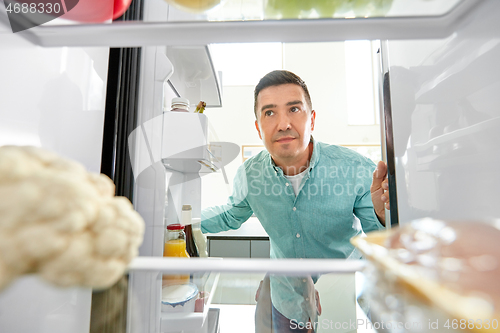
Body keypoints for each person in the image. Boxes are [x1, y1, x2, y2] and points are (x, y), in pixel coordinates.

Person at [201, 70, 389, 332]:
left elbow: (382, 242)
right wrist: (179, 222)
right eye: (269, 113)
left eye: (294, 109)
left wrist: (383, 217)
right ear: (258, 127)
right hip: (285, 302)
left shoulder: (355, 169)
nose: (283, 124)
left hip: (341, 299)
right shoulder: (250, 174)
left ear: (312, 119)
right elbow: (231, 215)